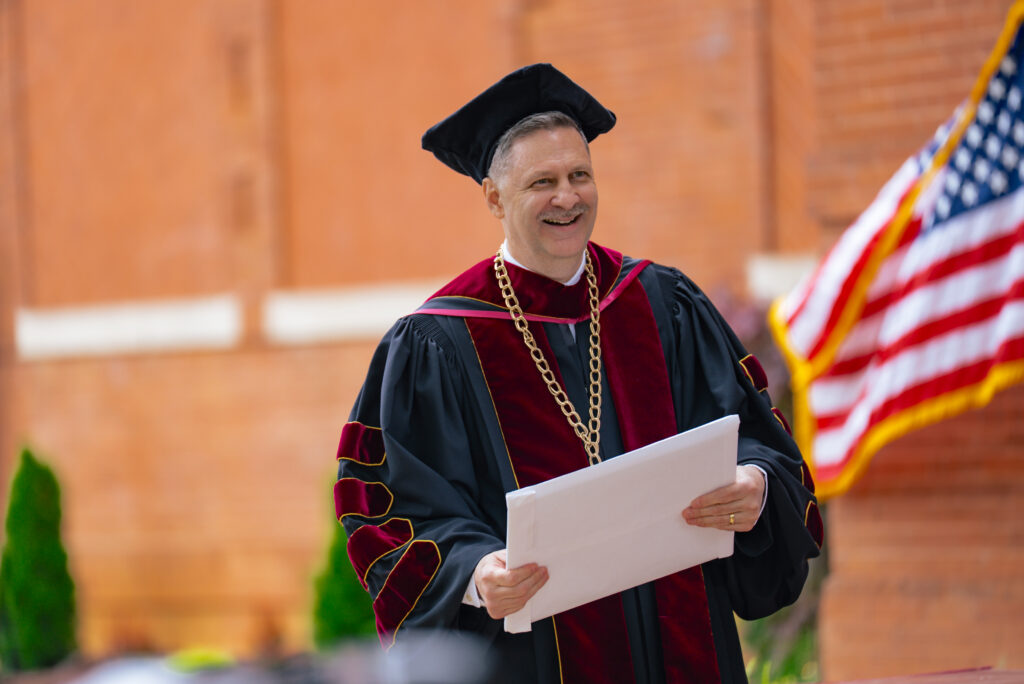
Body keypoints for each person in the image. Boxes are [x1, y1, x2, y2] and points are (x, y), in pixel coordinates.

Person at [334, 63, 823, 684]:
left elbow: (755, 434)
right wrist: (476, 573)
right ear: (494, 198)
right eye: (542, 181)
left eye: (579, 176)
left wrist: (755, 482)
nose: (567, 198)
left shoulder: (661, 303)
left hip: (685, 648)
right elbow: (391, 508)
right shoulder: (439, 342)